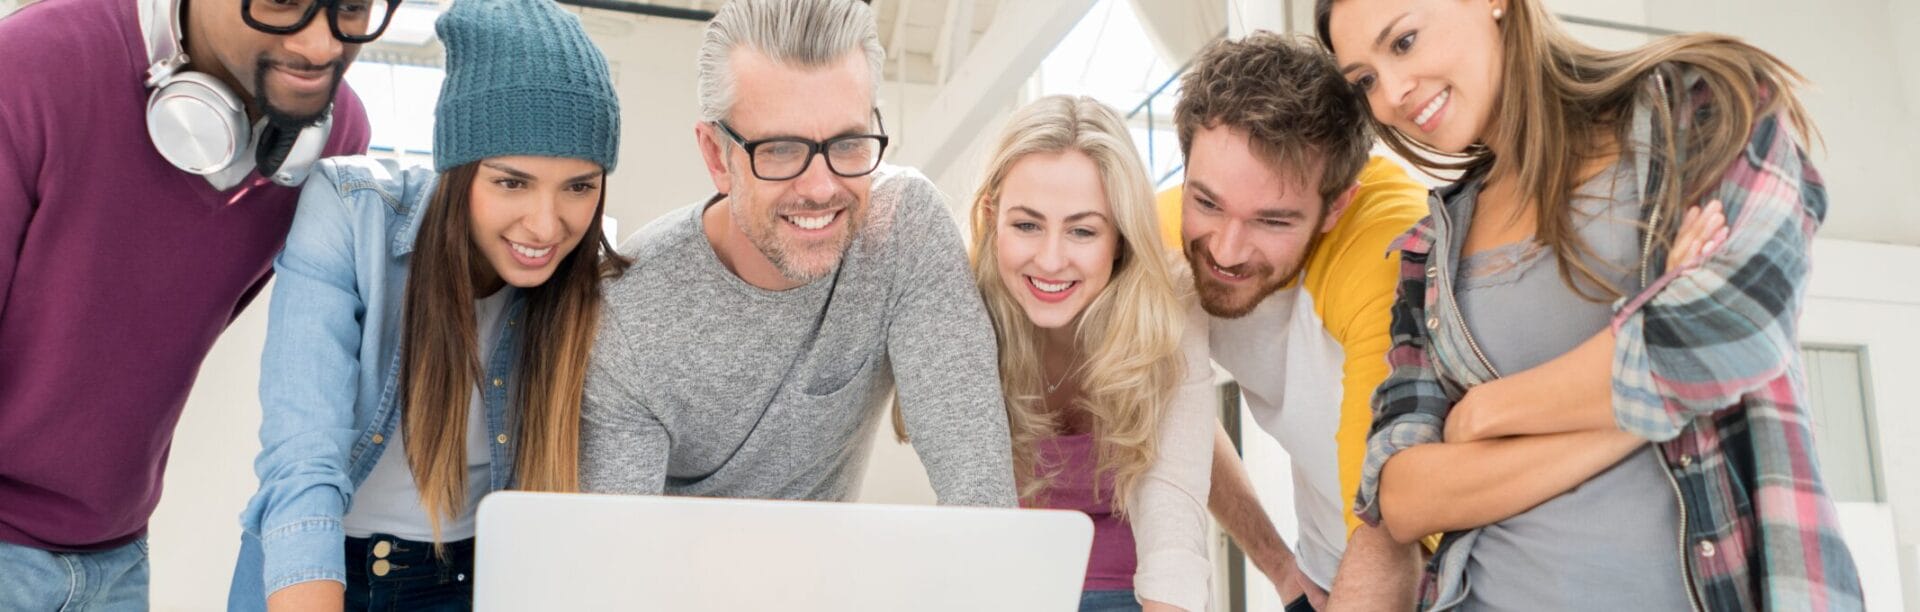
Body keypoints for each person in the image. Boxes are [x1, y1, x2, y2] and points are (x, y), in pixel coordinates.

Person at [1320, 0, 1863, 609]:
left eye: (1405, 42)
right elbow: (1404, 498)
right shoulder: (1428, 252)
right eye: (1364, 80)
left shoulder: (1701, 104)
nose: (1391, 93)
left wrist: (1485, 415)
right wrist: (1652, 388)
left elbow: (1732, 328)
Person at [228, 0, 627, 609]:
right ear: (457, 170)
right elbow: (302, 460)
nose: (546, 226)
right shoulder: (348, 210)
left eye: (579, 186)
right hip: (319, 561)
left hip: (471, 581)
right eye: (511, 182)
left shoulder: (592, 281)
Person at [0, 0, 374, 605]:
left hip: (117, 551)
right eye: (282, 2)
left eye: (353, 8)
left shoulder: (332, 138)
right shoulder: (29, 66)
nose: (320, 47)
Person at [579, 0, 1015, 507]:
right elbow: (618, 551)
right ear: (717, 156)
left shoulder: (903, 226)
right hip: (678, 578)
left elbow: (979, 491)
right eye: (781, 149)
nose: (820, 187)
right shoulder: (630, 311)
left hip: (834, 574)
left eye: (849, 143)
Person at [1160, 33, 1430, 611]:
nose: (1227, 251)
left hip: (1440, 576)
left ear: (1336, 206)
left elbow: (1386, 519)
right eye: (1206, 203)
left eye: (1272, 221)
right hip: (1324, 573)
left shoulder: (1389, 251)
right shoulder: (1161, 235)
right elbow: (1170, 407)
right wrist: (1279, 565)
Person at [966, 95, 1216, 612]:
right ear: (992, 218)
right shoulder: (964, 309)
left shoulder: (1169, 306)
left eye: (1082, 230)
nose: (1051, 259)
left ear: (1120, 238)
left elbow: (1173, 514)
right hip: (1012, 583)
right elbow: (970, 514)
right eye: (1027, 225)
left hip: (1139, 589)